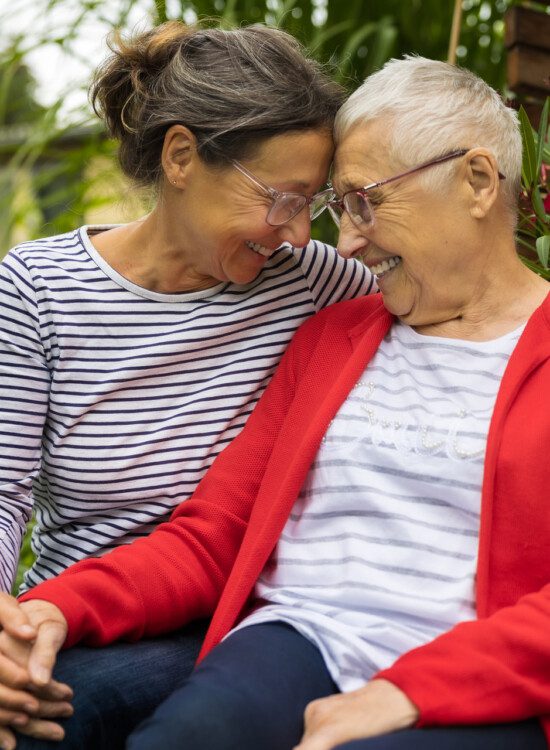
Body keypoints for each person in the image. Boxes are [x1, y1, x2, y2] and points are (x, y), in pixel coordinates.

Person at [3, 55, 550, 750]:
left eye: (364, 201)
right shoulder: (334, 334)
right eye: (337, 207)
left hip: (480, 665)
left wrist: (410, 689)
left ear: (475, 181)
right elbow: (214, 530)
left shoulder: (332, 287)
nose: (342, 240)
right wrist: (54, 605)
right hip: (298, 639)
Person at [0, 19, 375, 749]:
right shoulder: (36, 291)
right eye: (281, 198)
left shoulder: (320, 285)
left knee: (50, 717)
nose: (297, 234)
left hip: (237, 613)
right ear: (181, 156)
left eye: (312, 203)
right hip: (76, 607)